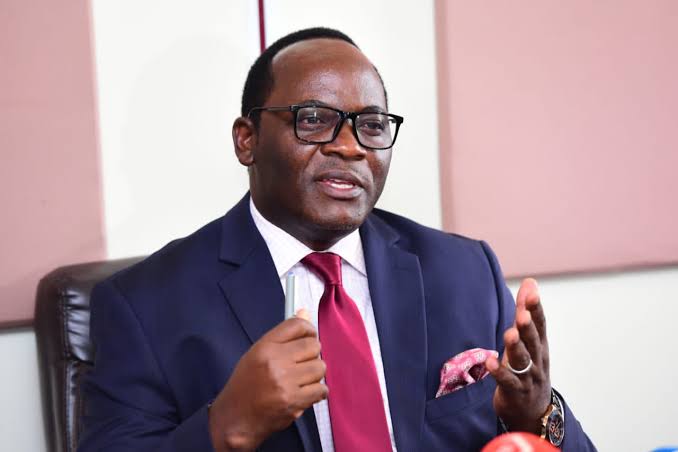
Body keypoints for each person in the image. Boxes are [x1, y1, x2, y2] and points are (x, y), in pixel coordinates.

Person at [79, 27, 596, 451]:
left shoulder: (464, 272)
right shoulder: (144, 305)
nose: (350, 147)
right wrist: (225, 427)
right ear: (247, 140)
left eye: (371, 125)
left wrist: (537, 413)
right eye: (314, 120)